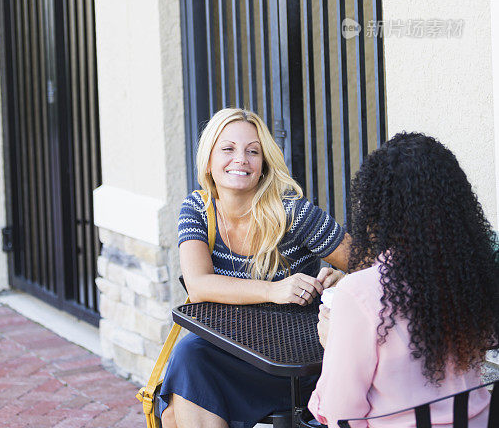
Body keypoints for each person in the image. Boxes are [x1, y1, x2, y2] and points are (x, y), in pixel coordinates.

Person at [159, 107, 351, 428]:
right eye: (228, 149)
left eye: (253, 151)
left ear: (263, 164)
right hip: (230, 352)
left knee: (181, 393)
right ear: (208, 160)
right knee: (189, 359)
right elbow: (198, 284)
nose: (241, 160)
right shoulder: (197, 208)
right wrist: (273, 290)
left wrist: (341, 279)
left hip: (290, 363)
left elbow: (370, 263)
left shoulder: (294, 213)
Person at [308, 132, 499, 428]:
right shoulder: (472, 276)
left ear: (376, 208)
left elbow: (339, 415)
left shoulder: (360, 292)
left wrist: (333, 339)